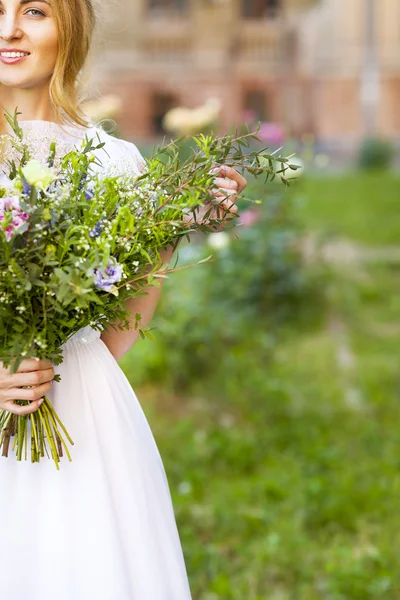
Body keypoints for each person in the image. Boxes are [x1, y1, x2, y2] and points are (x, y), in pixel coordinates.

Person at [0, 1, 247, 599]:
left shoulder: (114, 162)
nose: (8, 29)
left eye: (33, 10)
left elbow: (121, 322)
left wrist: (172, 227)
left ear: (71, 25)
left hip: (83, 408)